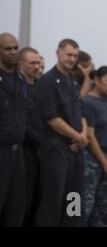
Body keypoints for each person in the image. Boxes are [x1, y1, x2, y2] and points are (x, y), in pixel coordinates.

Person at [34, 39, 89, 227]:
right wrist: (77, 136)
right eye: (68, 54)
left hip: (76, 151)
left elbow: (80, 112)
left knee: (73, 201)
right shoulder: (47, 81)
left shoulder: (72, 82)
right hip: (55, 149)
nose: (72, 59)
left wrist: (83, 137)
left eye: (75, 55)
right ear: (57, 53)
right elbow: (52, 118)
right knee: (53, 201)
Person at [82, 66, 107, 227]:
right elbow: (90, 135)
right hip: (91, 159)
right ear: (96, 80)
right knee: (84, 206)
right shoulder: (87, 102)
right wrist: (104, 163)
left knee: (104, 209)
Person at [0, 33, 27, 226]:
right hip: (1, 151)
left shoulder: (20, 79)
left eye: (16, 48)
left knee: (16, 207)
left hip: (18, 152)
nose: (13, 52)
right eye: (7, 48)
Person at [18, 47, 43, 226]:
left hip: (40, 154)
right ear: (21, 64)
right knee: (21, 201)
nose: (37, 67)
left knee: (37, 201)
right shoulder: (17, 88)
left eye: (38, 63)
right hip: (22, 151)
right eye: (32, 63)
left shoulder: (40, 88)